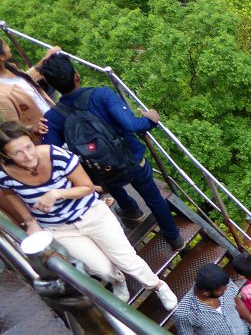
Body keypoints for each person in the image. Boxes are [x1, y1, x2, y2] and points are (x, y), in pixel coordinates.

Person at [0, 123, 178, 308]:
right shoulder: (5, 173)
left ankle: (157, 285)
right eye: (17, 153)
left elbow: (87, 187)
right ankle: (118, 281)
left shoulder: (55, 156)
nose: (28, 156)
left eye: (29, 147)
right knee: (99, 268)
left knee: (125, 259)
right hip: (60, 228)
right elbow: (10, 194)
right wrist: (30, 221)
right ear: (6, 156)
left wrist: (56, 194)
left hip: (91, 214)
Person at [38, 53, 185, 250]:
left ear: (52, 85)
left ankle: (131, 210)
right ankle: (174, 238)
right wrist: (151, 120)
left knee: (108, 175)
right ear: (76, 75)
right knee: (154, 199)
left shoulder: (52, 118)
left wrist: (34, 131)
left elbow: (52, 153)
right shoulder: (101, 95)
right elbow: (131, 125)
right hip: (132, 159)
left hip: (100, 169)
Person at [0, 38, 55, 134]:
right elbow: (11, 127)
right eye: (4, 44)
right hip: (43, 135)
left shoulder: (10, 67)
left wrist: (45, 60)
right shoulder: (2, 94)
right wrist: (32, 128)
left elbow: (25, 81)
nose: (7, 44)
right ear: (1, 57)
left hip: (53, 119)